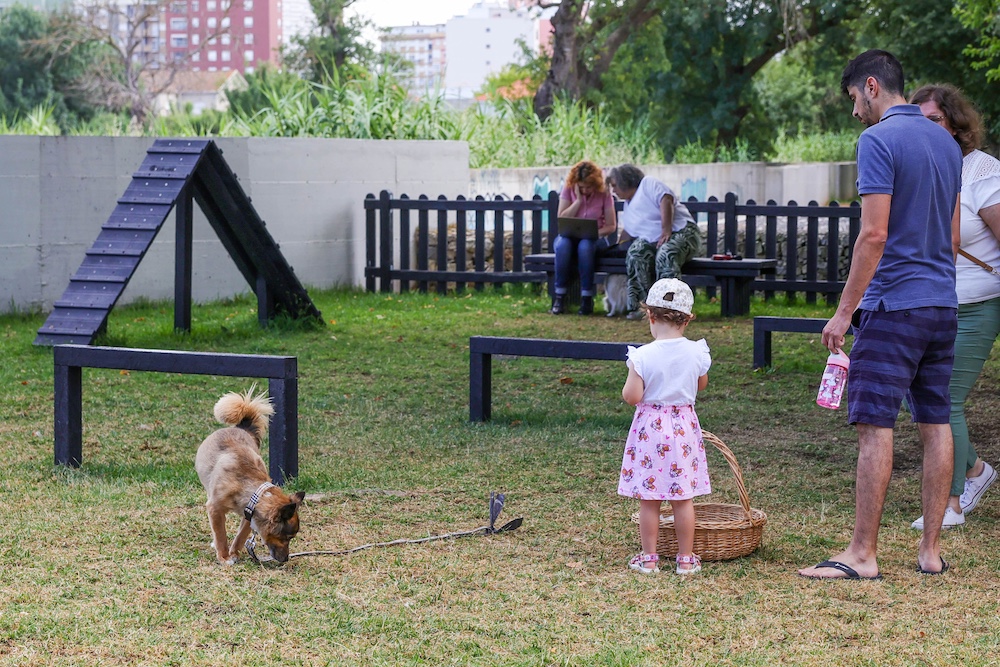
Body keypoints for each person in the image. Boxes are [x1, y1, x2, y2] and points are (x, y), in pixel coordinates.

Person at [798, 50, 962, 580]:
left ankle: (862, 555)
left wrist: (843, 314)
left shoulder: (877, 140)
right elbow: (954, 238)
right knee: (936, 422)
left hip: (894, 306)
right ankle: (930, 552)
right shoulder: (947, 143)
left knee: (875, 425)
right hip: (942, 303)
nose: (854, 113)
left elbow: (873, 234)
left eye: (853, 99)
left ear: (872, 86)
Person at [907, 84, 1000, 530]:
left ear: (955, 124)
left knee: (945, 401)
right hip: (931, 304)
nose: (927, 129)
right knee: (925, 399)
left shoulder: (982, 172)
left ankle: (950, 504)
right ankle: (976, 471)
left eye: (935, 120)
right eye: (918, 120)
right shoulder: (920, 168)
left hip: (977, 305)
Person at [618, 278, 711, 575]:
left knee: (650, 499)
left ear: (650, 315)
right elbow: (702, 384)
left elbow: (632, 397)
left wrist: (636, 375)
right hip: (683, 427)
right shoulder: (697, 352)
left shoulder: (642, 356)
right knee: (683, 498)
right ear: (688, 319)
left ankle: (649, 559)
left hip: (651, 430)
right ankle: (686, 559)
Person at [606, 164, 701, 321]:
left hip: (682, 231)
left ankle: (671, 310)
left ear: (625, 181)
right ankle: (641, 308)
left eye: (615, 185)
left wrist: (666, 230)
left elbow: (665, 198)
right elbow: (629, 231)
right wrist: (618, 246)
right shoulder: (628, 206)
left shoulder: (648, 184)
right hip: (656, 240)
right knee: (636, 253)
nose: (613, 190)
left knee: (665, 254)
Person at [550, 160, 618, 315]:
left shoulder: (604, 193)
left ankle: (586, 297)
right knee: (562, 245)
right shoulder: (568, 190)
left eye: (589, 187)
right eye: (582, 187)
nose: (586, 190)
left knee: (585, 246)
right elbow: (561, 218)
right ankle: (560, 296)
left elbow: (611, 225)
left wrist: (593, 232)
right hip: (569, 238)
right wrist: (578, 201)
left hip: (595, 240)